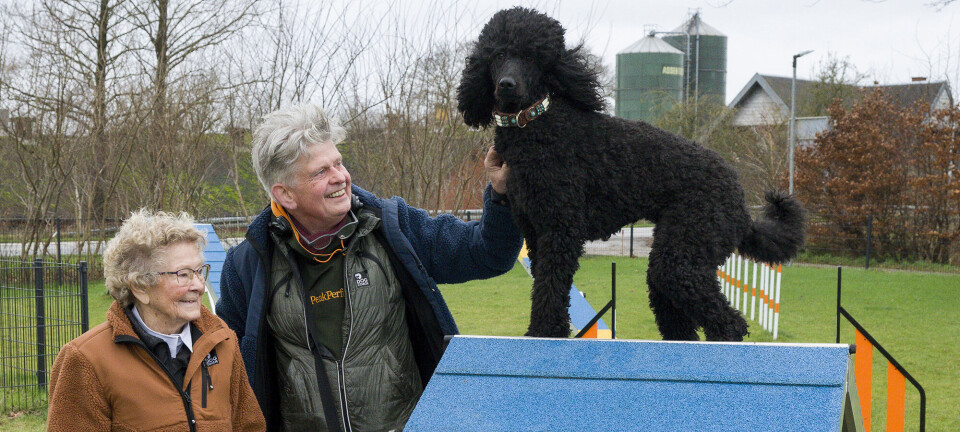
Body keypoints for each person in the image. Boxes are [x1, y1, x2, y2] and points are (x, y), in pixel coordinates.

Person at [216, 103, 523, 431]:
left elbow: (489, 253)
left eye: (338, 163)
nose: (341, 177)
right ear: (285, 194)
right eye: (321, 172)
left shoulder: (392, 228)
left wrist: (503, 194)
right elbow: (223, 370)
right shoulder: (247, 264)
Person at [46, 210, 265, 432]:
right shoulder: (87, 360)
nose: (199, 285)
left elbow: (249, 426)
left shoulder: (223, 342)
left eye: (199, 271)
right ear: (140, 287)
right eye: (183, 274)